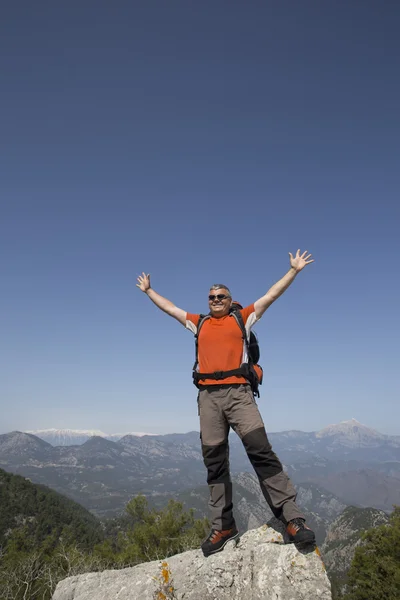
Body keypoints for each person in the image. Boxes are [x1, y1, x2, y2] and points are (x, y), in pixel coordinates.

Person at [137, 249, 316, 556]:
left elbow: (270, 296)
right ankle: (224, 526)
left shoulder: (242, 317)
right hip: (208, 399)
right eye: (211, 297)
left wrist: (294, 271)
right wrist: (150, 291)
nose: (215, 300)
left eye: (220, 296)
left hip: (239, 395)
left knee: (262, 453)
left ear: (230, 299)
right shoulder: (199, 323)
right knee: (215, 464)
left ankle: (292, 519)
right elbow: (171, 309)